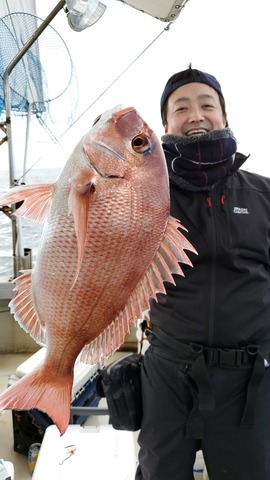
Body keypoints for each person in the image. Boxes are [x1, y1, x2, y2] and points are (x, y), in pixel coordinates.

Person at [135, 65, 270, 480]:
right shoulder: (146, 197)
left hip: (248, 379)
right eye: (181, 107)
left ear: (224, 117)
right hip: (167, 373)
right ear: (165, 125)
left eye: (206, 104)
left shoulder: (263, 194)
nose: (195, 114)